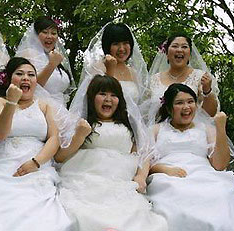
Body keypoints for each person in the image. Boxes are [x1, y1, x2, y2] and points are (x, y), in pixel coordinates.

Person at [146, 83, 234, 231]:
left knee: (223, 192)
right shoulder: (156, 130)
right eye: (179, 103)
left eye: (190, 101)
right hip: (167, 177)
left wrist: (220, 128)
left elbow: (220, 165)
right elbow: (144, 162)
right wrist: (163, 169)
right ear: (169, 108)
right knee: (177, 195)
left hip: (204, 174)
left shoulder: (206, 129)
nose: (186, 107)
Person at [0, 57, 73, 230]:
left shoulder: (44, 106)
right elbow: (0, 134)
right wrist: (11, 102)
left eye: (31, 75)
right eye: (20, 74)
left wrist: (36, 162)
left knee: (41, 215)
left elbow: (54, 138)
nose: (26, 78)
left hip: (36, 164)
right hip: (2, 164)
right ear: (9, 78)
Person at [55, 75, 167, 231]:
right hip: (86, 180)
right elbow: (60, 157)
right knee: (83, 214)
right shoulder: (79, 122)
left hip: (121, 181)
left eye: (113, 95)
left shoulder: (129, 125)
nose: (108, 99)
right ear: (91, 97)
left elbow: (143, 154)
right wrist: (79, 136)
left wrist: (141, 177)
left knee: (133, 215)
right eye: (102, 94)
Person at [143, 33, 219, 120]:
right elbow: (145, 114)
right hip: (158, 130)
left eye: (184, 47)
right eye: (175, 46)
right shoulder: (153, 80)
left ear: (190, 53)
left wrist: (207, 91)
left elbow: (210, 114)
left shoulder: (201, 77)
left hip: (192, 131)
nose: (179, 50)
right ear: (166, 52)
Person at [78, 22, 149, 104]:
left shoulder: (133, 72)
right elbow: (91, 100)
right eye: (116, 44)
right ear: (107, 46)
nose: (121, 49)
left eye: (125, 43)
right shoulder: (97, 68)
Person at [15, 16, 75, 107]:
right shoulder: (27, 54)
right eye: (45, 32)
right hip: (39, 108)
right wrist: (51, 65)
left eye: (53, 33)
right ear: (36, 35)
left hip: (61, 109)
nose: (49, 36)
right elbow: (30, 85)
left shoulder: (56, 56)